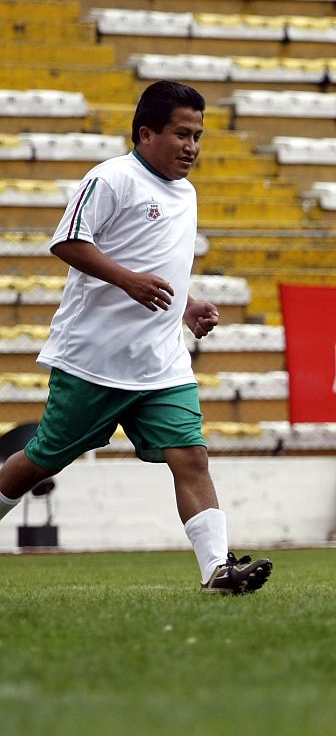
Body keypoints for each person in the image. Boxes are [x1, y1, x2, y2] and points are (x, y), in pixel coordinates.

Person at [0, 80, 271, 594]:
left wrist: (187, 308)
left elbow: (161, 265)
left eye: (198, 135)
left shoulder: (186, 192)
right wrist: (127, 281)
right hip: (95, 361)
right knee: (38, 462)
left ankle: (217, 570)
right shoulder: (112, 178)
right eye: (181, 134)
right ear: (146, 134)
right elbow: (67, 242)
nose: (191, 146)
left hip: (160, 363)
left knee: (191, 457)